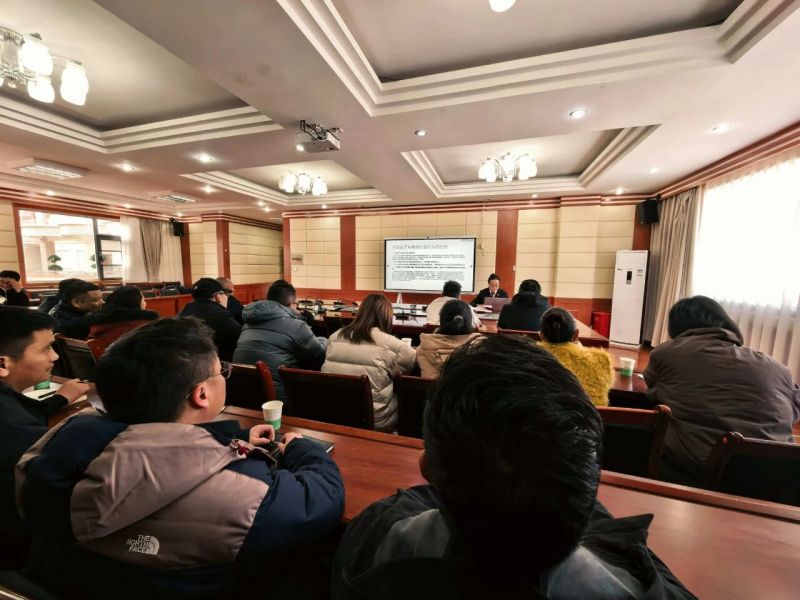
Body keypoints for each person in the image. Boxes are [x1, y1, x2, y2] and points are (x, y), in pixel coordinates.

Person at [332, 334, 696, 599]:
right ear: (586, 480)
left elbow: (412, 500)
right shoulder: (643, 583)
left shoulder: (369, 544)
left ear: (427, 466)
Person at [17, 317, 344, 599]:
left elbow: (144, 447)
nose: (223, 376)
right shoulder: (244, 496)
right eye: (221, 371)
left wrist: (235, 441)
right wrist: (302, 448)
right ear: (201, 394)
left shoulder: (58, 443)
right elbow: (320, 499)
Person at [644, 296, 800, 486]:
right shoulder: (779, 369)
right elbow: (793, 413)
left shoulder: (666, 354)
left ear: (676, 328)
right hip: (780, 480)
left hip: (698, 477)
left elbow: (652, 390)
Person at [0, 307, 89, 567]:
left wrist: (60, 399)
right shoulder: (11, 425)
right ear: (3, 364)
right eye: (46, 349)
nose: (55, 356)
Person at [323, 294, 416, 431]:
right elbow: (411, 363)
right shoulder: (392, 345)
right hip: (375, 420)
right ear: (386, 316)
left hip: (335, 413)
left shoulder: (334, 337)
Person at [234, 280, 327, 401]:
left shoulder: (248, 322)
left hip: (244, 394)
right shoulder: (296, 325)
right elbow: (318, 354)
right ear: (291, 304)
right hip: (280, 398)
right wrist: (324, 340)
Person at [538, 307, 614, 406]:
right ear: (576, 334)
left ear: (541, 336)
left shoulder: (532, 358)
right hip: (589, 416)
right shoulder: (602, 361)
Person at [179, 277, 241, 361]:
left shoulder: (182, 315)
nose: (227, 297)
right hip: (218, 366)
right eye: (225, 294)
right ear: (218, 297)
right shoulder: (226, 321)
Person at [416, 300, 482, 378]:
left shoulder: (424, 347)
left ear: (441, 320)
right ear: (470, 321)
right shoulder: (481, 347)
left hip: (434, 386)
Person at [86, 286, 159, 353]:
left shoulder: (94, 323)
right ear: (135, 302)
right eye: (143, 300)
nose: (145, 303)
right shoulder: (142, 324)